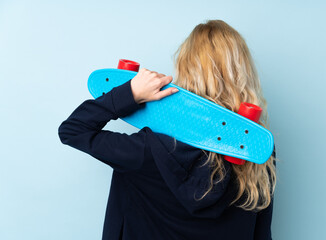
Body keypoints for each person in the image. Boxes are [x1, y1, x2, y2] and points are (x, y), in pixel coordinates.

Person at [58, 19, 277, 240]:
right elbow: (261, 234)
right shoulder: (255, 148)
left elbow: (73, 130)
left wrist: (129, 93)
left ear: (187, 72)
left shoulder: (147, 150)